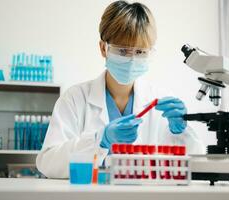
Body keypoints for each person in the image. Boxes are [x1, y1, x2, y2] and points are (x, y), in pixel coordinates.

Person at [36, 0, 204, 178]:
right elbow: (48, 163)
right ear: (103, 48)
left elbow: (194, 164)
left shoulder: (162, 101)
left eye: (140, 52)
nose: (132, 59)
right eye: (123, 51)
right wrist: (99, 140)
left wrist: (181, 132)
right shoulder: (75, 99)